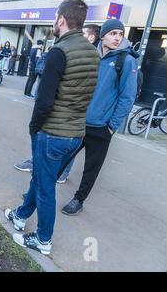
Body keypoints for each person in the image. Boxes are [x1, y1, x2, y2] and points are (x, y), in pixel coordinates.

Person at [5, 0, 99, 255]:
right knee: (40, 178)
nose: (53, 23)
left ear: (61, 19)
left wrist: (34, 127)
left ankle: (43, 239)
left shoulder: (59, 51)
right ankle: (21, 215)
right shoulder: (93, 51)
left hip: (53, 132)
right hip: (76, 132)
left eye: (55, 18)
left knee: (45, 187)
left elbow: (44, 100)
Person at [61, 19, 138, 216]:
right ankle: (39, 192)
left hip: (101, 128)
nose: (117, 38)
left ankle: (79, 199)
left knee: (91, 169)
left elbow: (127, 98)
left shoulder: (126, 61)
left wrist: (111, 126)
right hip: (78, 122)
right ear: (102, 35)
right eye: (113, 33)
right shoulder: (91, 56)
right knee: (60, 159)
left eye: (120, 34)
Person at [14, 24, 103, 183]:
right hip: (58, 112)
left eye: (82, 33)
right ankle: (37, 166)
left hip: (69, 116)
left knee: (45, 181)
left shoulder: (91, 57)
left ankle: (59, 172)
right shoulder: (70, 49)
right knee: (44, 174)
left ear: (91, 37)